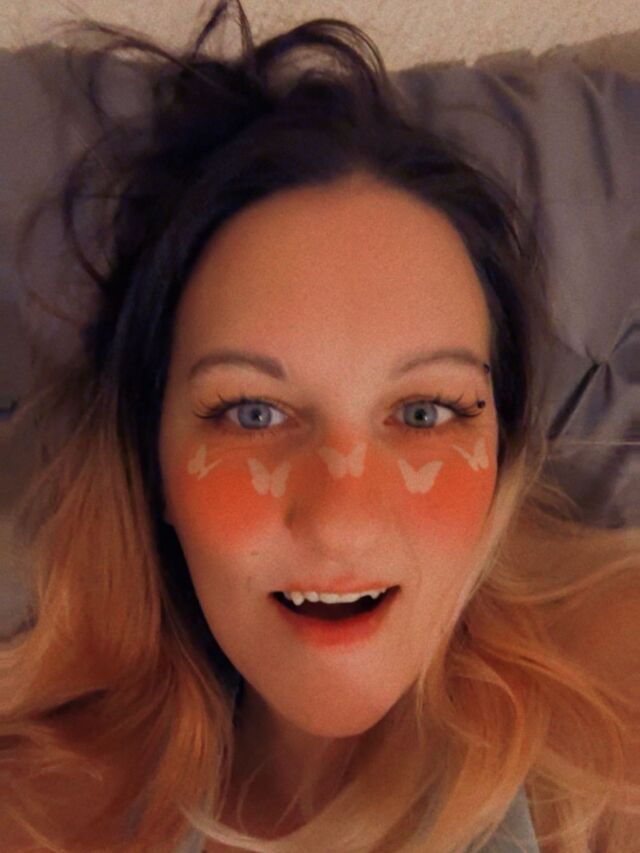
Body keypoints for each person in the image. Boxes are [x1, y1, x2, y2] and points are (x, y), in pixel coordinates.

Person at [1, 1, 639, 850]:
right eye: (253, 413)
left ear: (503, 451)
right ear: (153, 464)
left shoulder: (610, 708)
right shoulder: (36, 803)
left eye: (425, 411)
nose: (342, 519)